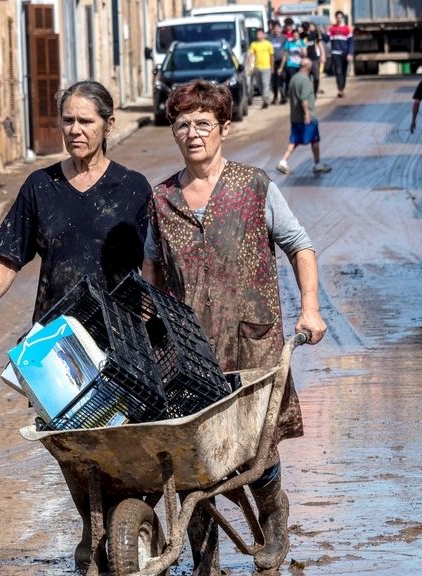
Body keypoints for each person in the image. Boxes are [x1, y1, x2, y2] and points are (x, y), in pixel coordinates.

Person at [143, 79, 327, 575]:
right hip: (188, 351)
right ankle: (205, 555)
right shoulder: (161, 200)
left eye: (203, 123)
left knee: (256, 448)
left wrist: (310, 308)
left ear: (224, 128)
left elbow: (299, 245)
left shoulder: (255, 186)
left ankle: (274, 516)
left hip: (253, 343)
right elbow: (151, 274)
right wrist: (148, 323)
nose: (192, 133)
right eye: (182, 125)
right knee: (191, 455)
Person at [0, 80, 152, 571]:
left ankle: (119, 521)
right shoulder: (41, 187)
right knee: (70, 446)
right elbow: (11, 255)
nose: (74, 130)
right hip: (58, 346)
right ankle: (94, 526)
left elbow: (154, 263)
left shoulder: (133, 188)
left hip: (118, 340)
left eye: (86, 121)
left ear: (108, 125)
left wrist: (157, 313)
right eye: (68, 121)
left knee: (123, 438)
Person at [276, 58, 331, 175]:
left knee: (294, 140)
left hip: (295, 117)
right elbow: (304, 99)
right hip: (306, 117)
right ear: (307, 67)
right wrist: (307, 114)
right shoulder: (305, 80)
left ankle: (283, 161)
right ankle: (317, 164)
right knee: (315, 139)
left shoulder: (294, 78)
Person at [329, 11, 354, 98]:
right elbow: (326, 39)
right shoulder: (332, 29)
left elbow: (351, 43)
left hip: (345, 54)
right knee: (338, 71)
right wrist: (322, 32)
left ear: (343, 18)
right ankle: (340, 90)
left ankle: (342, 88)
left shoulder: (347, 29)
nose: (339, 19)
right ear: (335, 18)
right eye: (337, 17)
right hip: (335, 53)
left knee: (343, 72)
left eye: (340, 17)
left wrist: (350, 54)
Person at [248, 29, 274, 108]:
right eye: (257, 34)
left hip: (266, 67)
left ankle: (265, 100)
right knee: (259, 85)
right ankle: (265, 98)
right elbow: (251, 55)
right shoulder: (253, 44)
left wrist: (272, 67)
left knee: (265, 84)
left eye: (260, 33)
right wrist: (250, 66)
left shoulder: (268, 44)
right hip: (257, 68)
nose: (258, 35)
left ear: (263, 35)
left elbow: (271, 56)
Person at [281, 29, 305, 102]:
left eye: (296, 34)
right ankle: (291, 95)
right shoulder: (288, 43)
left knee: (299, 80)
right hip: (290, 64)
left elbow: (304, 55)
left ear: (299, 35)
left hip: (299, 64)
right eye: (294, 34)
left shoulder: (302, 42)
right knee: (292, 80)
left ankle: (299, 95)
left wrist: (300, 47)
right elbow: (284, 56)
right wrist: (281, 67)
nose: (295, 36)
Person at [269, 20, 287, 104]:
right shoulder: (269, 38)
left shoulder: (284, 38)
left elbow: (285, 52)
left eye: (278, 28)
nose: (276, 30)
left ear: (280, 29)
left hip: (281, 61)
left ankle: (283, 97)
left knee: (282, 79)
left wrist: (282, 66)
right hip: (272, 61)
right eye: (275, 29)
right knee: (274, 81)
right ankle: (275, 97)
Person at [305, 22, 325, 95]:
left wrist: (323, 55)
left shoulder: (315, 35)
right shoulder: (302, 36)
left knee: (316, 77)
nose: (310, 28)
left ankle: (315, 92)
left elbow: (320, 44)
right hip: (306, 60)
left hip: (315, 59)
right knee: (307, 78)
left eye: (311, 26)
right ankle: (309, 93)